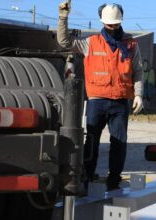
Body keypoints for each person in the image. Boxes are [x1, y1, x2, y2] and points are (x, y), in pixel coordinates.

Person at [57, 2, 144, 191]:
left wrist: (138, 95)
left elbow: (137, 71)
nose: (113, 27)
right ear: (103, 23)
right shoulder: (91, 42)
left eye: (116, 24)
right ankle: (87, 178)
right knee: (92, 142)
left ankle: (114, 180)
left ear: (120, 22)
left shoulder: (130, 45)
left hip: (120, 101)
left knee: (119, 143)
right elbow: (64, 42)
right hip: (98, 101)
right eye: (109, 24)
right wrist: (63, 18)